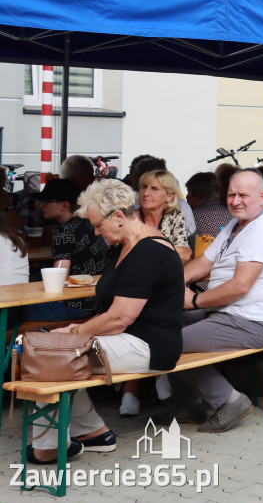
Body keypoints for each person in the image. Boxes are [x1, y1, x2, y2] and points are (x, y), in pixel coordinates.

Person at [29, 179, 183, 464]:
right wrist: (74, 333)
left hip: (150, 344)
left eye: (98, 225)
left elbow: (120, 317)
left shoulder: (149, 250)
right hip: (131, 337)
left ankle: (50, 445)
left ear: (119, 216)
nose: (97, 233)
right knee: (59, 353)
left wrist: (74, 331)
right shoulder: (127, 245)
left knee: (54, 356)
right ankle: (93, 433)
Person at [170, 170, 263, 432]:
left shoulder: (261, 231)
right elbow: (202, 263)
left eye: (243, 195)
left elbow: (240, 285)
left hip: (252, 322)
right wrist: (171, 285)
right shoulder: (235, 226)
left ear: (262, 197)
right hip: (226, 314)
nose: (235, 201)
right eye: (231, 195)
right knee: (159, 325)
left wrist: (196, 300)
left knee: (167, 346)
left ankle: (229, 400)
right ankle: (192, 405)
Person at [22, 179, 108, 320]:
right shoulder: (89, 224)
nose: (41, 206)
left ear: (64, 205)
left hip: (74, 305)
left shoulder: (63, 232)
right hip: (98, 302)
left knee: (13, 311)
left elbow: (58, 277)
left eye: (46, 201)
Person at [138, 170, 192, 265]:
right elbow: (130, 259)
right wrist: (173, 252)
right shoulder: (130, 218)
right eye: (144, 187)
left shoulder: (175, 215)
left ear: (169, 196)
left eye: (154, 188)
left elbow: (185, 255)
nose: (146, 193)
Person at [186, 172, 232, 258]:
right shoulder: (231, 214)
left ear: (198, 196)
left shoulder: (192, 217)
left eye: (189, 192)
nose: (186, 196)